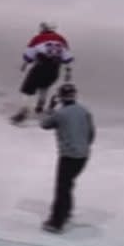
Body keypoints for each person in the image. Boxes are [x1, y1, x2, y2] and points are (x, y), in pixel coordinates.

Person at [40, 83, 95, 233]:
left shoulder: (60, 114)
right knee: (68, 183)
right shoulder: (84, 111)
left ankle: (56, 222)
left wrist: (50, 108)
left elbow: (44, 124)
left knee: (62, 188)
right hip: (83, 156)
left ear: (60, 97)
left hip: (68, 156)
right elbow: (91, 134)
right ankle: (67, 210)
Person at [10, 22, 73, 124]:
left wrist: (25, 64)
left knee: (27, 89)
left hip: (41, 66)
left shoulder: (38, 39)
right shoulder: (61, 39)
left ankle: (24, 111)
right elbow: (67, 58)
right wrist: (68, 72)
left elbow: (28, 55)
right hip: (55, 68)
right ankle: (40, 106)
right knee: (44, 86)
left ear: (44, 28)